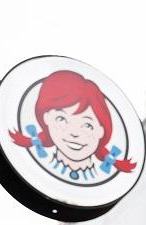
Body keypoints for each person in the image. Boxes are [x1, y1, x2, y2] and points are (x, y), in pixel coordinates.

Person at [8, 69, 137, 182]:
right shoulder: (42, 171)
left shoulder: (101, 183)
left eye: (87, 125)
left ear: (101, 130)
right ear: (46, 118)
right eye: (62, 119)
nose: (74, 133)